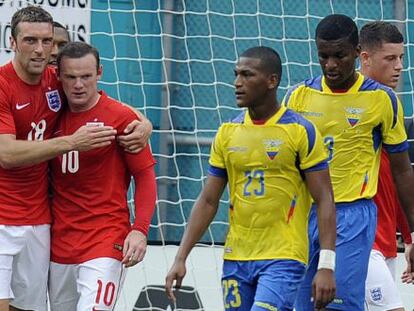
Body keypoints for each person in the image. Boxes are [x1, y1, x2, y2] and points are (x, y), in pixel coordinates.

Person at [0, 6, 151, 311]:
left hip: (43, 223)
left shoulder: (57, 79)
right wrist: (71, 142)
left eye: (47, 41)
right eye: (31, 40)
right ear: (13, 42)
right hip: (3, 217)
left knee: (26, 307)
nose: (41, 49)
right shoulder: (3, 85)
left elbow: (104, 102)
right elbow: (6, 153)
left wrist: (144, 123)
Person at [165, 46, 337, 310]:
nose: (237, 83)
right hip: (236, 257)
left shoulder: (300, 131)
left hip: (283, 257)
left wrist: (326, 265)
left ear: (272, 81)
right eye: (236, 74)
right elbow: (209, 200)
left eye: (247, 75)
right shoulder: (228, 132)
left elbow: (324, 197)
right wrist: (180, 257)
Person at [283, 14, 414, 311]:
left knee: (339, 304)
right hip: (305, 216)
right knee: (303, 305)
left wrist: (413, 234)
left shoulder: (382, 100)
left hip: (353, 215)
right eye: (324, 56)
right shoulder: (299, 97)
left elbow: (402, 169)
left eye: (339, 55)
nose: (331, 64)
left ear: (357, 53)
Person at [47, 41, 157, 310]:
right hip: (58, 245)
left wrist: (140, 230)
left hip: (105, 242)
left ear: (99, 73)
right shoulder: (49, 114)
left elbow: (145, 176)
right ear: (58, 76)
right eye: (71, 77)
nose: (78, 85)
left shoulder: (121, 118)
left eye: (86, 76)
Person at [360, 21, 414, 311]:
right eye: (390, 59)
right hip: (357, 238)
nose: (399, 66)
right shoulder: (345, 105)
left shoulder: (390, 103)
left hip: (385, 240)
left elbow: (399, 175)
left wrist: (409, 236)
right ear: (365, 58)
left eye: (401, 58)